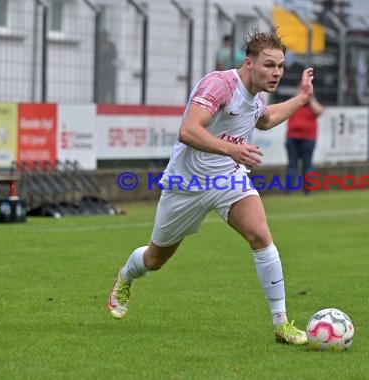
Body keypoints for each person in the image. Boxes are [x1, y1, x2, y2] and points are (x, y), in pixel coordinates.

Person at [108, 29, 314, 345]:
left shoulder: (256, 96)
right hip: (185, 184)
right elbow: (188, 131)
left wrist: (301, 98)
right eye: (269, 65)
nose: (276, 73)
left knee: (261, 237)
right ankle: (126, 275)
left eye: (281, 66)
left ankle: (281, 323)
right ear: (249, 63)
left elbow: (266, 119)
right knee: (154, 260)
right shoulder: (220, 84)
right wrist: (231, 148)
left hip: (228, 180)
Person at [284, 93, 324, 194]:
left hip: (308, 139)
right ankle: (288, 191)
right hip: (292, 138)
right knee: (292, 166)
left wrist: (310, 98)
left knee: (307, 166)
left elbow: (319, 111)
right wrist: (299, 97)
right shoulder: (294, 101)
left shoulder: (312, 103)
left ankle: (307, 191)